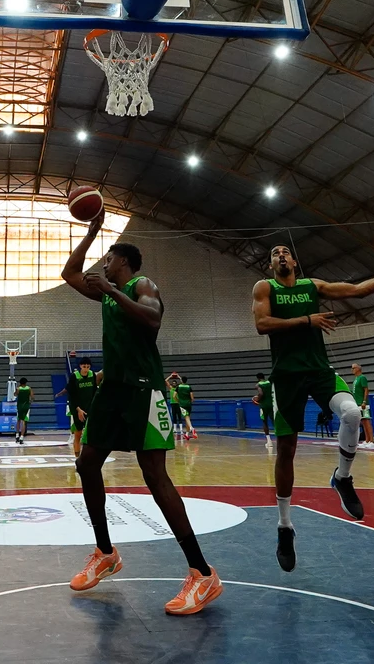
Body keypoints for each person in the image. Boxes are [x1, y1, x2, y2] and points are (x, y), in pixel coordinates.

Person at [62, 212, 222, 615]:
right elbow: (69, 272)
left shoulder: (140, 285)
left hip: (143, 392)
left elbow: (152, 320)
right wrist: (93, 231)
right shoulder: (108, 292)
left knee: (155, 476)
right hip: (112, 392)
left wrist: (114, 292)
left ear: (125, 263)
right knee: (87, 463)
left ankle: (202, 574)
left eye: (109, 259)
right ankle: (105, 552)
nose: (104, 265)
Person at [252, 242, 374, 573]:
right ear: (271, 266)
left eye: (284, 251)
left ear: (295, 261)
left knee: (353, 413)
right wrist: (307, 320)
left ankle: (342, 477)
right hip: (285, 377)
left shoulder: (313, 286)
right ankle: (285, 526)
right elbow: (262, 324)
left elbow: (357, 290)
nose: (280, 255)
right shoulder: (264, 287)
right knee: (286, 450)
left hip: (319, 371)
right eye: (274, 254)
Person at [54, 357, 102, 456]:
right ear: (80, 366)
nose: (86, 369)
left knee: (91, 435)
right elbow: (71, 395)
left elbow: (94, 392)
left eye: (88, 367)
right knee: (78, 434)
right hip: (77, 408)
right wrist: (78, 409)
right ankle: (77, 458)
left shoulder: (92, 374)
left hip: (89, 407)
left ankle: (89, 457)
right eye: (84, 366)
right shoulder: (74, 376)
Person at [351, 364, 373, 447]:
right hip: (357, 404)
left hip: (363, 404)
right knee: (363, 422)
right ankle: (367, 440)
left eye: (353, 368)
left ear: (358, 369)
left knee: (367, 421)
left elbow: (366, 390)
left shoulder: (362, 378)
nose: (352, 370)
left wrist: (364, 401)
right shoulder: (356, 379)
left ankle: (372, 440)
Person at [172, 373, 197, 440]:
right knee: (187, 418)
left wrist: (178, 401)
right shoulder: (189, 387)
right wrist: (190, 402)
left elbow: (174, 396)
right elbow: (192, 398)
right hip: (188, 404)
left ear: (181, 381)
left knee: (186, 417)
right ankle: (186, 434)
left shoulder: (178, 387)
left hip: (182, 404)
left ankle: (192, 428)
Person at [254, 373, 274, 448]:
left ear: (258, 378)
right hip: (272, 404)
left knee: (265, 422)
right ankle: (280, 439)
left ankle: (269, 441)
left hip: (264, 405)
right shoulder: (269, 382)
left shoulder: (258, 385)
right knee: (274, 421)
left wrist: (258, 399)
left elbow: (261, 393)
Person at [14, 377, 32, 444]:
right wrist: (30, 401)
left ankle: (17, 435)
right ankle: (22, 437)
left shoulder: (18, 389)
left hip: (19, 407)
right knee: (24, 422)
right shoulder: (29, 388)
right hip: (26, 406)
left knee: (18, 420)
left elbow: (15, 394)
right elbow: (32, 397)